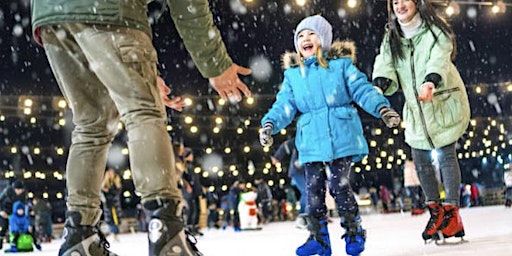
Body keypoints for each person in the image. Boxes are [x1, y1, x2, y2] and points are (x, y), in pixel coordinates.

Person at [31, 0, 252, 255]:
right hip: (109, 10)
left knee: (91, 125)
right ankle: (165, 227)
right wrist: (215, 63)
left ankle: (80, 236)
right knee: (143, 111)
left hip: (52, 17)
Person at [259, 15, 400, 256]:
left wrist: (382, 108)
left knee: (338, 185)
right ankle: (319, 238)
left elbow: (362, 89)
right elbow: (284, 104)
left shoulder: (341, 66)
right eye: (300, 36)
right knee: (312, 191)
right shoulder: (294, 75)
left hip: (341, 134)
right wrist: (269, 124)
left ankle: (354, 231)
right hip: (311, 139)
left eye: (311, 34)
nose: (305, 39)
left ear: (323, 39)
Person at [373, 0, 471, 243]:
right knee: (420, 160)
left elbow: (439, 58)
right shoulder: (392, 38)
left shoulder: (435, 30)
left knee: (447, 155)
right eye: (394, 1)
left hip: (440, 100)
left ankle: (452, 213)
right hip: (416, 110)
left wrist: (430, 81)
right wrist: (379, 85)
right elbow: (385, 64)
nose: (399, 4)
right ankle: (436, 213)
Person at [0, 180, 27, 250]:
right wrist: (1, 211)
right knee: (4, 226)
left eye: (21, 190)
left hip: (15, 213)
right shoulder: (7, 191)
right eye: (18, 190)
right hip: (5, 211)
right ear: (14, 189)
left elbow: (23, 205)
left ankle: (16, 242)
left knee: (16, 227)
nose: (19, 192)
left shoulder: (23, 194)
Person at [101, 169, 122, 241]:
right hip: (107, 204)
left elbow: (117, 192)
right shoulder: (105, 183)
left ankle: (115, 233)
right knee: (110, 220)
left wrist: (109, 191)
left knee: (115, 219)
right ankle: (113, 233)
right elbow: (102, 193)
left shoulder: (116, 182)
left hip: (114, 204)